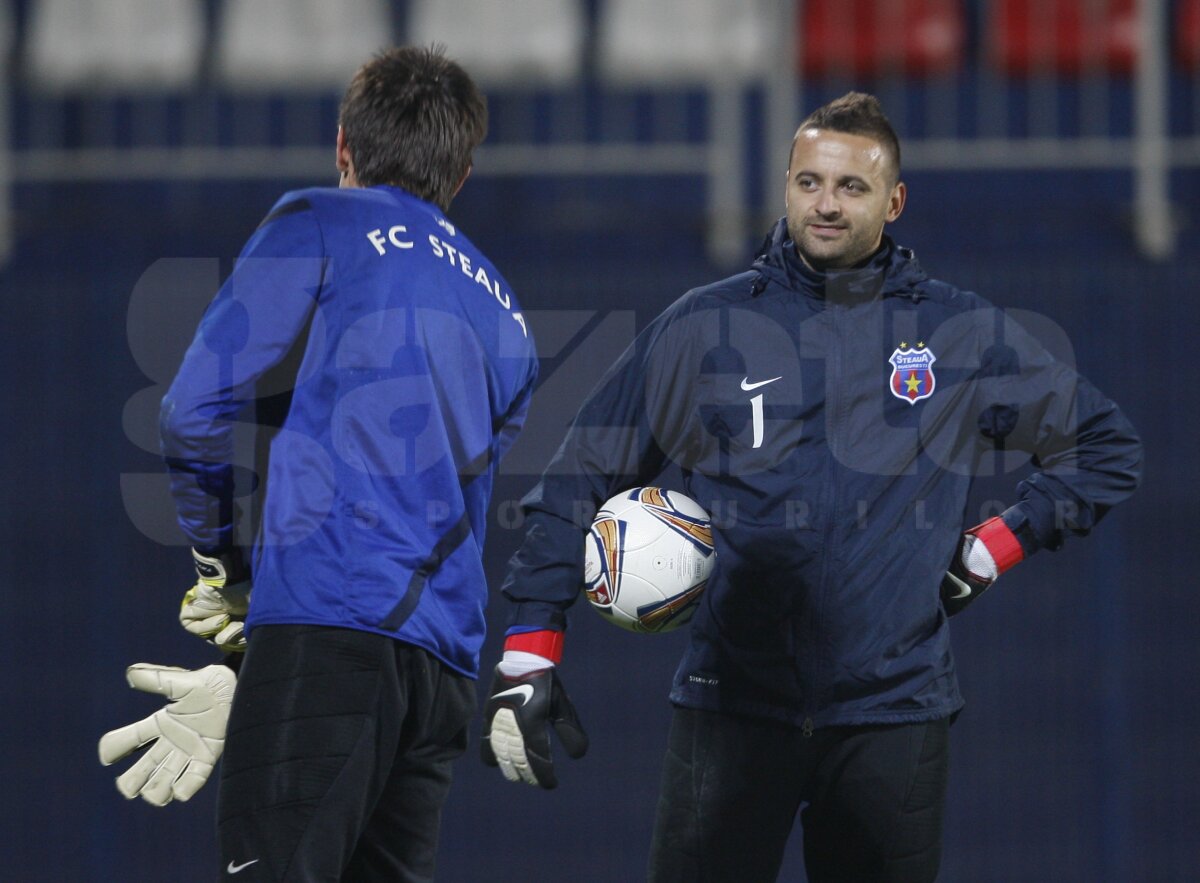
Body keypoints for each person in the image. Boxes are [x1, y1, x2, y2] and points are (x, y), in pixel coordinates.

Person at [480, 92, 1142, 882]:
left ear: (894, 202)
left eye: (851, 187)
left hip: (892, 717)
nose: (825, 203)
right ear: (787, 185)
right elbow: (578, 475)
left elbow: (1104, 445)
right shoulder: (704, 328)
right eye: (808, 182)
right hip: (730, 709)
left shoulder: (958, 334)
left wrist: (997, 545)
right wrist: (527, 653)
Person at [107, 45, 537, 881]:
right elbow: (445, 489)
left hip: (327, 633)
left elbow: (191, 413)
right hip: (443, 668)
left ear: (342, 143)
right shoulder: (509, 315)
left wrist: (220, 566)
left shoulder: (318, 221)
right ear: (465, 171)